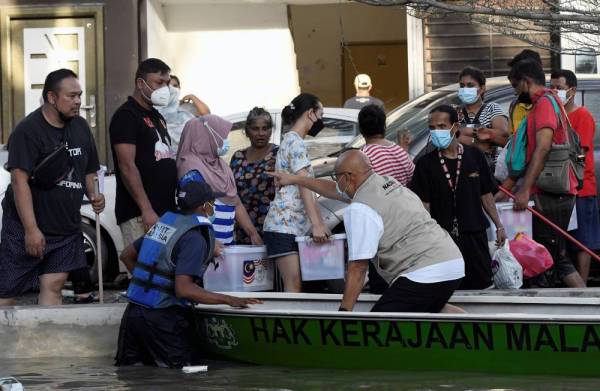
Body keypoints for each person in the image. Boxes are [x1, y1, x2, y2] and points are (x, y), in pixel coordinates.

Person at [269, 150, 464, 312]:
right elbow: (334, 189)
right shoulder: (387, 183)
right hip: (452, 262)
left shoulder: (361, 208)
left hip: (424, 270)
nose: (337, 183)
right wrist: (295, 179)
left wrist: (344, 313)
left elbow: (358, 268)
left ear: (347, 177)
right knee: (428, 305)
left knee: (379, 323)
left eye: (338, 178)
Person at [115, 178, 261, 368]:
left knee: (134, 374)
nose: (213, 207)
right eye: (212, 203)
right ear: (204, 206)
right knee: (185, 375)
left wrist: (149, 285)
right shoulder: (195, 238)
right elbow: (183, 289)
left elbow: (126, 256)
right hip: (162, 318)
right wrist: (229, 300)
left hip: (133, 314)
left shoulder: (165, 225)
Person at [0, 69, 105, 306]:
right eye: (71, 96)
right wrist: (31, 229)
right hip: (26, 226)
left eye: (79, 95)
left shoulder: (80, 127)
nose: (78, 101)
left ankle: (48, 342)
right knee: (6, 294)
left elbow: (88, 170)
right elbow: (19, 181)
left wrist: (94, 195)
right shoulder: (27, 131)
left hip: (66, 226)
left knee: (54, 285)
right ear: (51, 97)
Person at [410, 105, 506, 289]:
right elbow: (424, 206)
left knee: (482, 284)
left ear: (455, 127)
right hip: (443, 239)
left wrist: (499, 225)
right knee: (449, 288)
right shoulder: (425, 164)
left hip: (474, 233)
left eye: (442, 126)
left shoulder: (474, 155)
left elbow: (486, 194)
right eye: (432, 128)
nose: (437, 132)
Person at [509, 60, 585, 288]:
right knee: (553, 257)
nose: (515, 92)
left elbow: (543, 147)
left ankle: (589, 309)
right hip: (553, 191)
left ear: (526, 81)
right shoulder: (549, 101)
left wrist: (524, 190)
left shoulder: (544, 104)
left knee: (553, 258)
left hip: (551, 193)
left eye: (515, 86)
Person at [263, 93, 331, 292]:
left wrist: (319, 222)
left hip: (290, 227)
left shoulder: (291, 140)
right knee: (293, 286)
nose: (321, 120)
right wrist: (317, 224)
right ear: (310, 113)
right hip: (284, 227)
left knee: (295, 285)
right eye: (320, 114)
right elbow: (304, 185)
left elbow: (308, 186)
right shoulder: (296, 142)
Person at [110, 58, 178, 248]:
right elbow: (127, 166)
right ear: (141, 83)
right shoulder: (127, 116)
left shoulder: (157, 116)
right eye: (159, 82)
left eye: (167, 83)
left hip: (165, 212)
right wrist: (146, 209)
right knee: (147, 273)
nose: (165, 89)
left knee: (164, 274)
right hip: (141, 215)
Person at [176, 115, 263, 245]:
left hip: (226, 243)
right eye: (221, 136)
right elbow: (193, 211)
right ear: (205, 137)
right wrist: (211, 242)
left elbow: (235, 202)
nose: (224, 140)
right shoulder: (190, 167)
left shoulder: (221, 166)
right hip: (206, 245)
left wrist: (252, 233)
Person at [551, 69, 600, 283]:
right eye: (551, 88)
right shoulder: (554, 116)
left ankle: (582, 287)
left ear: (572, 90)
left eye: (559, 88)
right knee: (566, 240)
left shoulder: (582, 116)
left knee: (582, 241)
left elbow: (582, 153)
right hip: (559, 188)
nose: (554, 92)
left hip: (580, 189)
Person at [229, 108, 278, 244]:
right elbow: (230, 192)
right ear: (247, 130)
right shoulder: (237, 157)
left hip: (273, 227)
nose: (261, 133)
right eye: (255, 129)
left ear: (271, 130)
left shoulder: (278, 154)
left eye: (265, 128)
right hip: (243, 228)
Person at [456, 66, 509, 172]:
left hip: (487, 171)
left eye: (470, 85)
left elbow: (503, 137)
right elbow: (446, 138)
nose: (465, 89)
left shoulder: (491, 108)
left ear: (482, 88)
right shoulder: (456, 112)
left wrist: (461, 132)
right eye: (462, 86)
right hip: (459, 170)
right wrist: (475, 142)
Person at [359, 104, 414, 186]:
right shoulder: (401, 152)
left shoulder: (363, 157)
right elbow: (413, 178)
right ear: (384, 126)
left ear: (361, 129)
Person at [158, 75, 211, 151]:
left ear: (179, 88)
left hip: (198, 151)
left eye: (175, 86)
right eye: (169, 87)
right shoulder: (160, 110)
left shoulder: (187, 106)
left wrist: (192, 96)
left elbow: (207, 114)